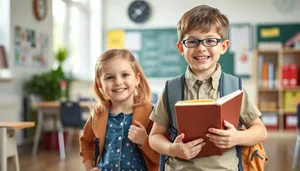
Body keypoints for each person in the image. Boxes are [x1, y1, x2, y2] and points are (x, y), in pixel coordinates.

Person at [148, 5, 268, 171]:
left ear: (223, 46)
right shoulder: (171, 89)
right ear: (181, 48)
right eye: (192, 41)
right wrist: (172, 149)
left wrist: (237, 137)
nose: (201, 48)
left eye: (210, 40)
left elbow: (260, 131)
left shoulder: (234, 87)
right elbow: (154, 136)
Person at [80, 49, 159, 171]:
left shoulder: (152, 114)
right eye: (110, 77)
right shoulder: (98, 115)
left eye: (125, 75)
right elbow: (86, 142)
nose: (118, 82)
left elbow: (162, 156)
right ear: (100, 84)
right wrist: (89, 167)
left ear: (137, 78)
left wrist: (145, 141)